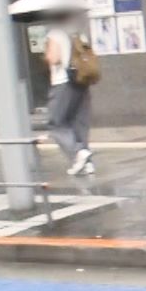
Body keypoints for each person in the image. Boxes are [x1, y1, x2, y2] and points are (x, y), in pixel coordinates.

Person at [45, 14, 94, 176]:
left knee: (56, 123)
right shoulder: (79, 33)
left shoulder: (55, 33)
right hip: (81, 82)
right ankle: (86, 163)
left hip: (63, 83)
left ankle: (77, 152)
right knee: (79, 123)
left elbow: (54, 58)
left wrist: (46, 54)